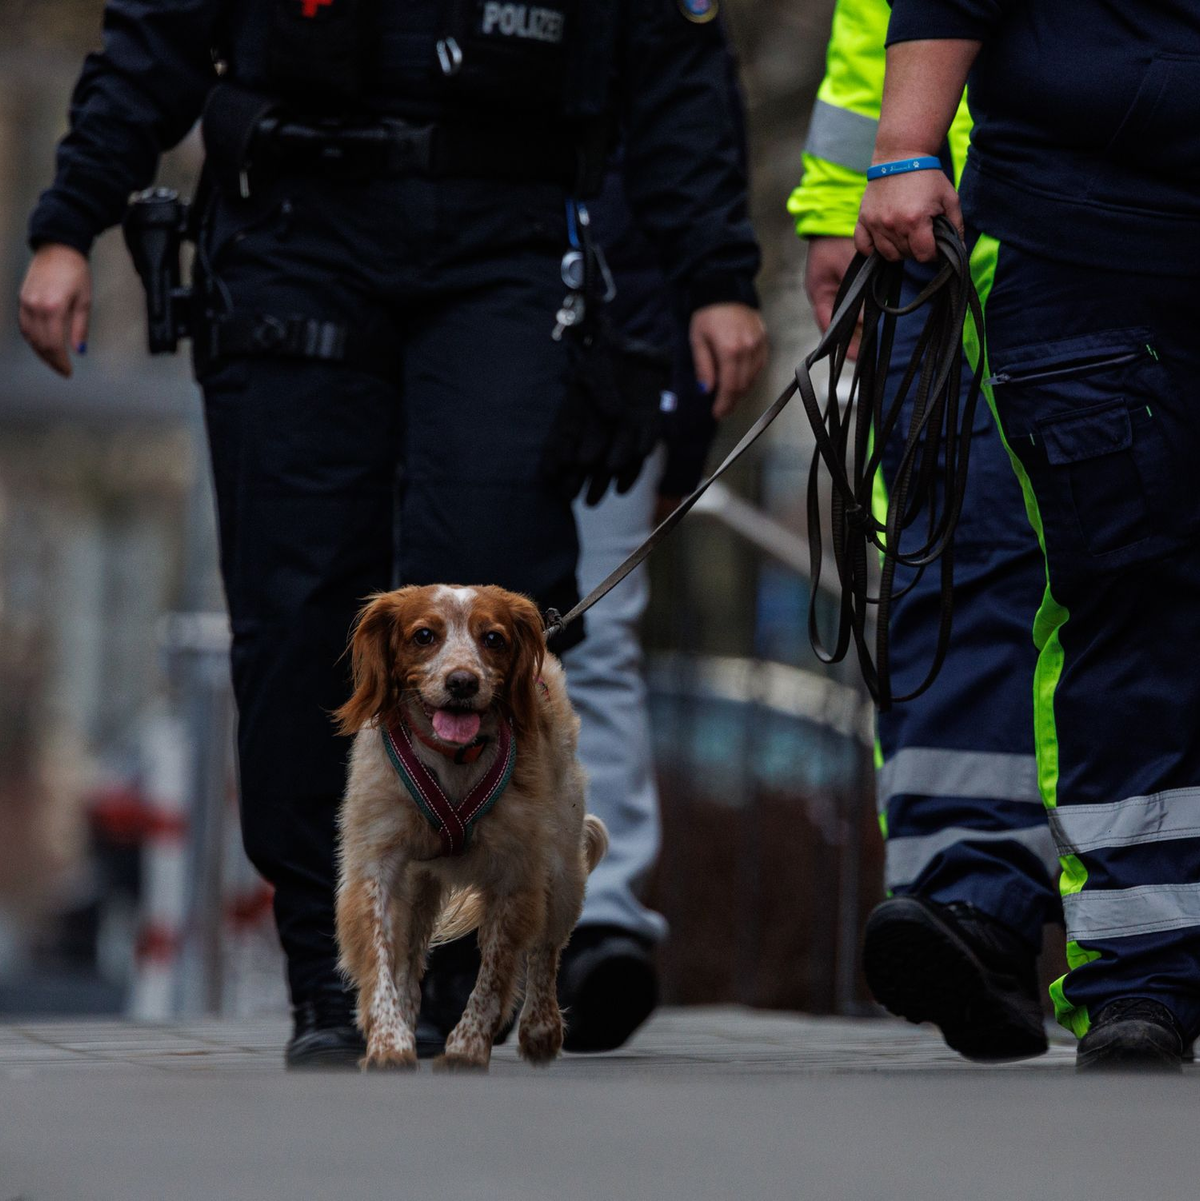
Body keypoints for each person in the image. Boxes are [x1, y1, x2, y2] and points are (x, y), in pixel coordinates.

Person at [19, 0, 766, 1067]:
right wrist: (65, 223)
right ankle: (339, 970)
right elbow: (156, 37)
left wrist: (718, 277)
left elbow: (675, 61)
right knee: (301, 618)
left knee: (496, 600)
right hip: (293, 226)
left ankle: (460, 961)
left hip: (508, 231)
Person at [855, 0, 1200, 1071]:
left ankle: (1032, 921)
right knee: (1123, 590)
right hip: (1081, 229)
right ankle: (1139, 975)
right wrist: (905, 147)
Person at [788, 0, 1054, 1062]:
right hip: (940, 246)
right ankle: (966, 912)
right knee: (961, 568)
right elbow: (874, 28)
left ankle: (1119, 942)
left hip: (1086, 234)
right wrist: (833, 207)